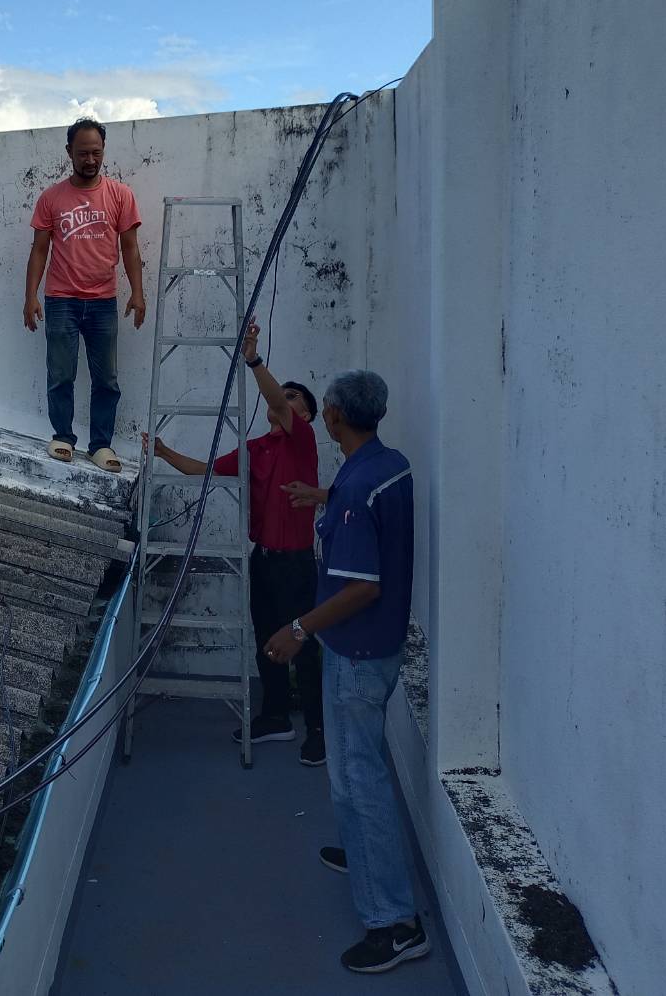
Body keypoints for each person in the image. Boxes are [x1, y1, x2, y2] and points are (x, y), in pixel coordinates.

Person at [263, 369, 429, 974]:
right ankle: (364, 856)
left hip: (354, 653)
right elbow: (363, 511)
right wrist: (323, 497)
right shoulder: (389, 466)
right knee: (360, 774)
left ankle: (396, 924)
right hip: (380, 647)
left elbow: (362, 586)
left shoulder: (358, 488)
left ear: (332, 416)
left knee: (358, 781)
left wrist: (299, 628)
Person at [143, 318, 325, 765]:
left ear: (304, 415)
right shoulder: (256, 449)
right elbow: (204, 470)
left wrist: (254, 360)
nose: (284, 400)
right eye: (285, 394)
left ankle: (318, 731)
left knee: (303, 642)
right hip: (263, 559)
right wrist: (163, 452)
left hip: (297, 562)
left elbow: (273, 398)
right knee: (266, 637)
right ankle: (276, 717)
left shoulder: (302, 441)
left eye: (293, 397)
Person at [23, 118, 145, 474]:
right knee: (61, 374)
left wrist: (137, 293)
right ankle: (62, 436)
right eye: (82, 153)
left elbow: (130, 247)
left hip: (104, 302)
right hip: (61, 300)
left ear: (103, 151)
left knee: (107, 379)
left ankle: (100, 445)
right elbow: (39, 250)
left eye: (96, 152)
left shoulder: (120, 195)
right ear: (69, 153)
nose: (90, 160)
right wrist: (31, 296)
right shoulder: (51, 198)